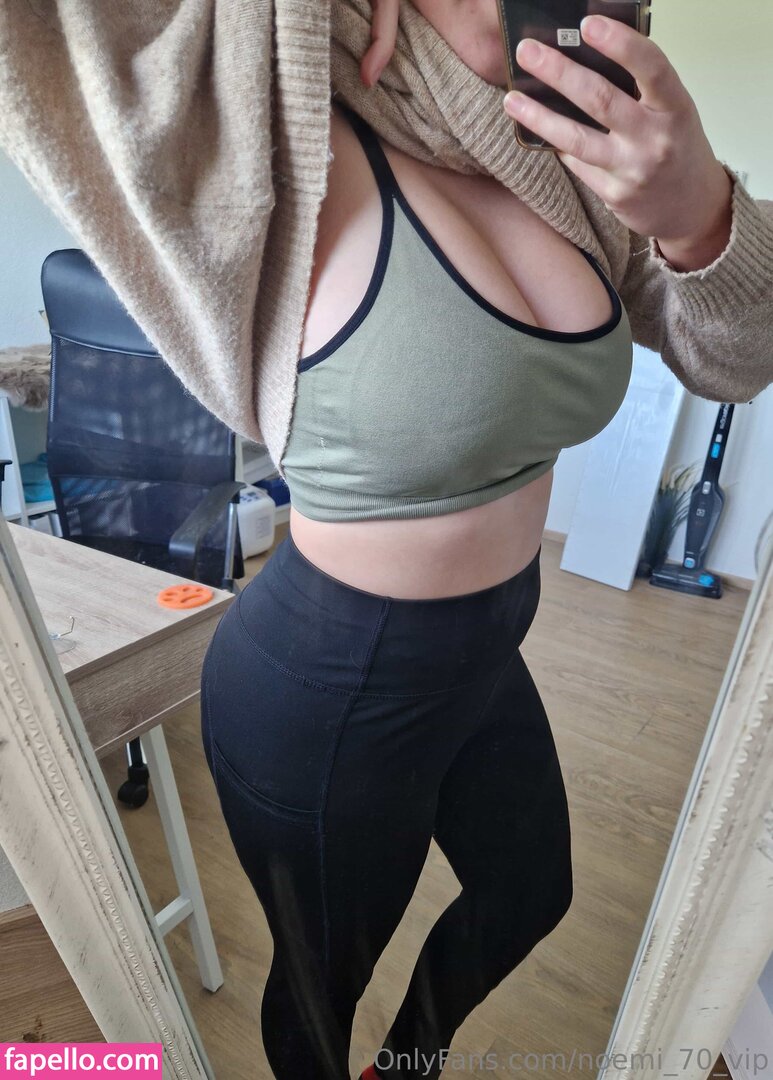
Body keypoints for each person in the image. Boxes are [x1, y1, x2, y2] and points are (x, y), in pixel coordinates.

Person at [198, 3, 770, 1079]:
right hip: (322, 690)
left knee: (528, 892)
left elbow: (735, 359)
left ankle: (406, 1068)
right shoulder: (271, 97)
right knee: (319, 997)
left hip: (479, 653)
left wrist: (700, 220)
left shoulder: (545, 146)